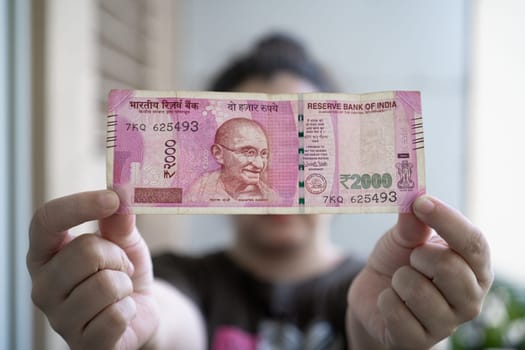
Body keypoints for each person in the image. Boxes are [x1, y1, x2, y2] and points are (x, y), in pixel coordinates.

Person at [27, 34, 493, 349]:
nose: (263, 169)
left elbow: (370, 324)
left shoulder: (382, 286)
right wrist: (133, 317)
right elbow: (169, 319)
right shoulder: (178, 276)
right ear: (214, 153)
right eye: (243, 149)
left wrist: (406, 329)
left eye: (289, 148)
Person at [188, 117, 278, 202]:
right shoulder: (198, 192)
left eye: (263, 154)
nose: (259, 165)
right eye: (249, 153)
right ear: (218, 154)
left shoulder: (271, 197)